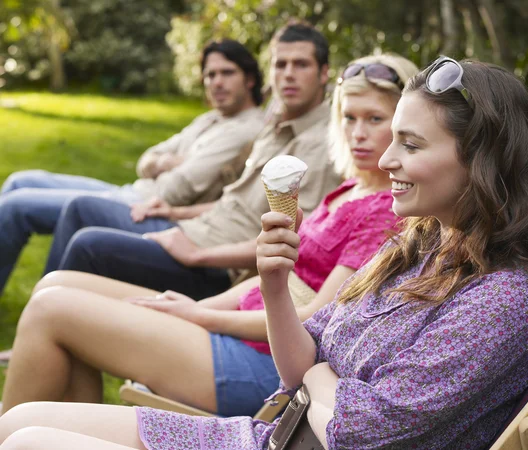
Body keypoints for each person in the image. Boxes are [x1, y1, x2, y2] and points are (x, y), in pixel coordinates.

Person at [0, 57, 528, 449]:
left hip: (276, 437)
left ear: (480, 162)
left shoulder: (502, 304)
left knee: (27, 442)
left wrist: (320, 379)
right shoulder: (420, 248)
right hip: (264, 435)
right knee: (21, 422)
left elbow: (357, 434)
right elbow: (305, 361)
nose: (388, 159)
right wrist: (274, 281)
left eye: (410, 142)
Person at [0, 53, 417, 419]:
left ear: (402, 129)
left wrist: (199, 316)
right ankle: (56, 432)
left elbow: (316, 319)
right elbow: (279, 278)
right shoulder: (347, 191)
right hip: (235, 328)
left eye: (375, 119)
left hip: (269, 369)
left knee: (52, 310)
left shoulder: (385, 212)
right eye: (349, 116)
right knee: (57, 283)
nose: (357, 132)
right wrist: (196, 306)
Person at [40, 21, 340, 300]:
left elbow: (297, 243)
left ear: (324, 73)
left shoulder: (323, 146)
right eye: (280, 64)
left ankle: (47, 329)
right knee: (81, 208)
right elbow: (233, 203)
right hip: (196, 230)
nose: (288, 74)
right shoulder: (275, 129)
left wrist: (197, 255)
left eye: (301, 64)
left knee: (89, 246)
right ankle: (47, 328)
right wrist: (175, 212)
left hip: (218, 267)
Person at [0, 38, 265, 296]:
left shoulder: (245, 129)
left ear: (250, 79)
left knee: (15, 208)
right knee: (20, 181)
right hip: (133, 190)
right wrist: (167, 162)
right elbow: (147, 159)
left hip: (144, 206)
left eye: (227, 73)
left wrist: (164, 166)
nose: (216, 82)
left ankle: (39, 312)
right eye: (210, 75)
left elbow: (175, 189)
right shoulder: (210, 119)